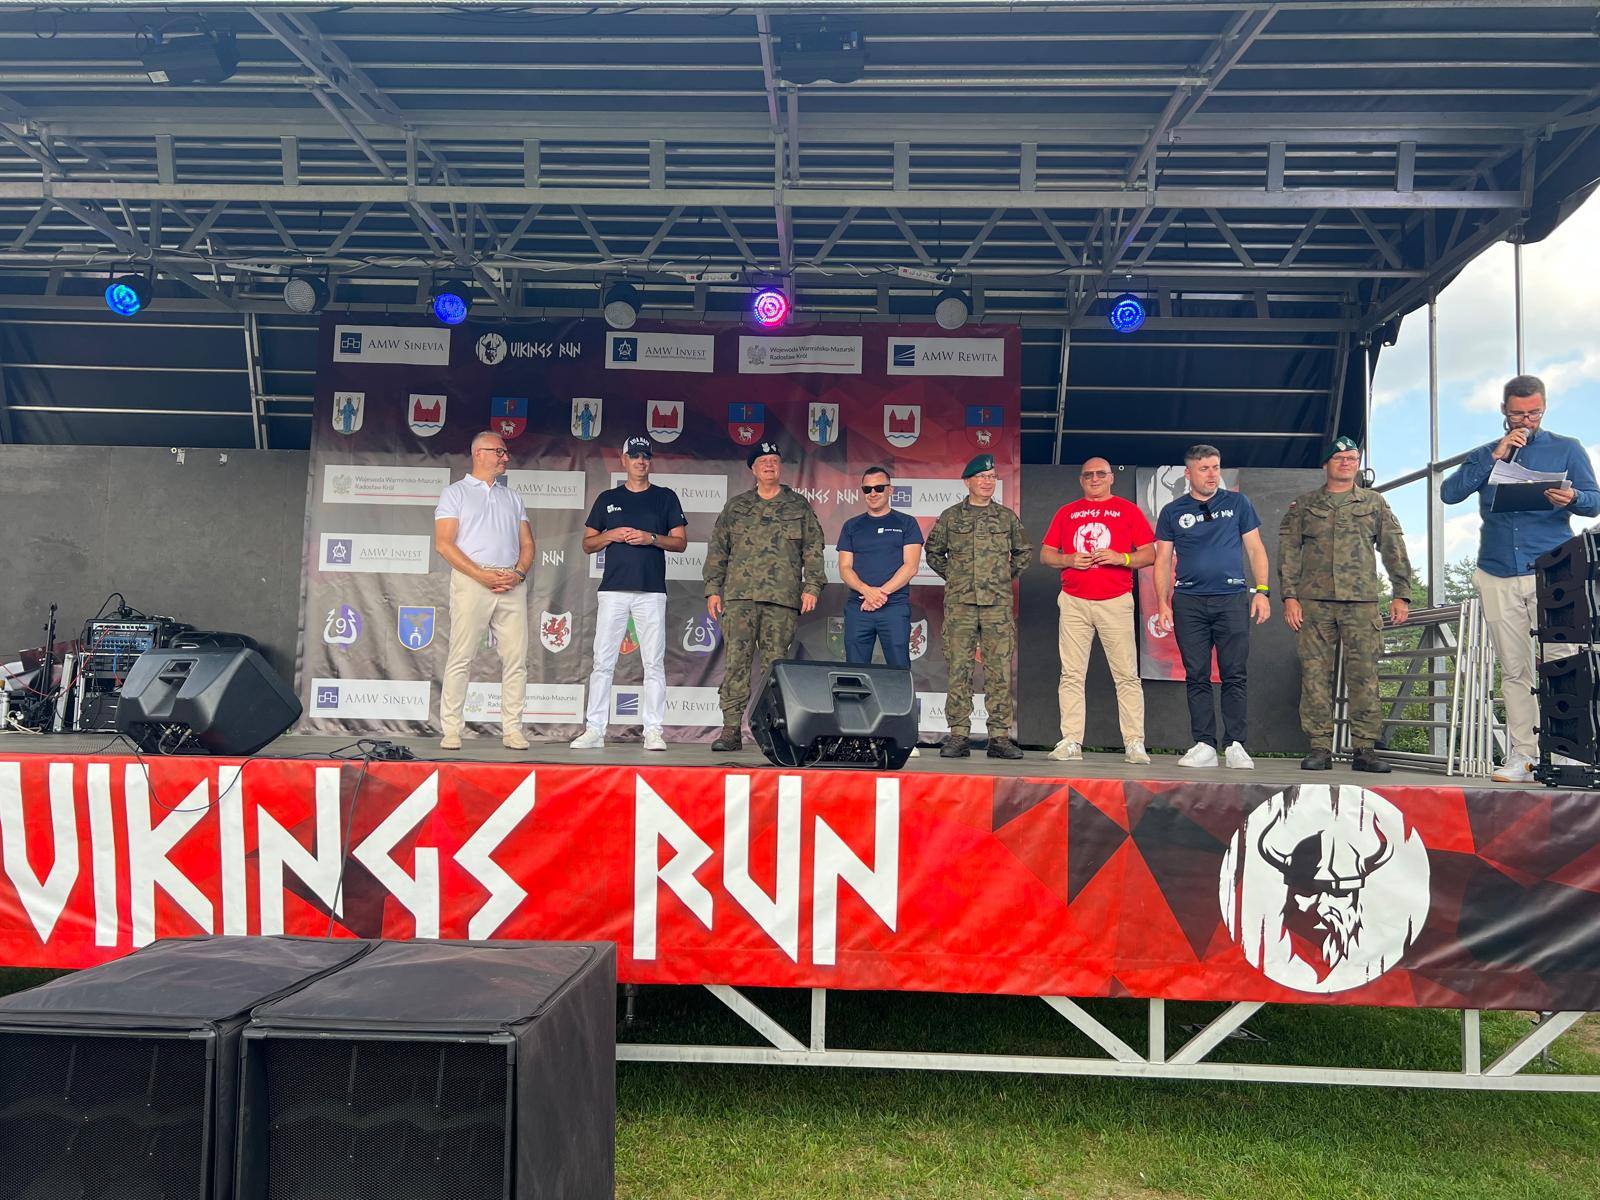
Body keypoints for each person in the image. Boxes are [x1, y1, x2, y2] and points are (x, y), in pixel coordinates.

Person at [1442, 374, 1600, 782]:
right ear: (1503, 411)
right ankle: (1523, 757)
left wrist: (1574, 498)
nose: (1526, 421)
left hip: (1554, 573)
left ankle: (1568, 754)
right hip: (1496, 571)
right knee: (1514, 669)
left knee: (1565, 662)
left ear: (1543, 409)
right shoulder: (1486, 453)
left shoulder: (1567, 448)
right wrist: (1495, 457)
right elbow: (1449, 493)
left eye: (1534, 413)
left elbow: (1594, 501)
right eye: (1518, 414)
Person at [1279, 437, 1414, 773]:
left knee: (1365, 675)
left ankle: (1365, 749)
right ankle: (1320, 747)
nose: (1346, 463)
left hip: (1361, 601)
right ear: (1325, 464)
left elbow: (1393, 547)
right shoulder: (1305, 505)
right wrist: (1289, 597)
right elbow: (1289, 553)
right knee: (1314, 675)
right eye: (1339, 458)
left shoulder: (1374, 502)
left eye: (1352, 458)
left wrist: (1401, 593)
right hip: (1314, 603)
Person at [703, 440, 826, 751]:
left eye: (774, 460)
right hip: (740, 599)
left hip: (781, 600)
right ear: (753, 469)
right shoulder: (736, 507)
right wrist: (712, 590)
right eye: (763, 461)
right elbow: (718, 550)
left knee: (775, 668)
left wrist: (812, 586)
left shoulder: (797, 506)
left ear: (780, 467)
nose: (769, 465)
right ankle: (731, 730)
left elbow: (813, 547)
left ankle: (774, 731)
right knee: (736, 664)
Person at [1154, 444, 1271, 769]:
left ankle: (1235, 744)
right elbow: (1162, 560)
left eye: (1216, 467)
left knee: (1234, 673)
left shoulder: (1237, 503)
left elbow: (1256, 548)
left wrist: (1262, 591)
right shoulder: (1173, 511)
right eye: (1204, 468)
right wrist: (1162, 604)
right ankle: (1204, 744)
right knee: (1197, 674)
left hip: (1231, 598)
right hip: (1188, 601)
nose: (1211, 474)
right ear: (1188, 473)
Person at [571, 436, 688, 752]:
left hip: (651, 591)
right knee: (602, 662)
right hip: (613, 591)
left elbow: (680, 542)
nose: (640, 461)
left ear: (650, 461)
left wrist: (651, 538)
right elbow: (587, 544)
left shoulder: (665, 497)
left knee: (654, 664)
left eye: (645, 456)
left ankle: (654, 730)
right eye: (634, 456)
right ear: (623, 460)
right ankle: (595, 729)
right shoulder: (608, 498)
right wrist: (610, 534)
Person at [1039, 457, 1154, 765]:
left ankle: (1134, 742)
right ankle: (1071, 740)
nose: (1094, 479)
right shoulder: (1066, 512)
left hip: (1115, 600)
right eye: (1088, 475)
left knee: (1126, 674)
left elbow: (1149, 554)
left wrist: (1122, 558)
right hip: (1074, 600)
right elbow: (1046, 554)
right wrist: (1067, 560)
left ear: (1111, 478)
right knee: (1071, 674)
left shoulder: (1128, 510)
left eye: (1100, 474)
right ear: (1081, 480)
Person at [433, 430, 535, 751]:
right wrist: (480, 575)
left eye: (505, 452)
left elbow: (528, 544)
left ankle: (513, 729)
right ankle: (452, 729)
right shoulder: (455, 493)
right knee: (461, 656)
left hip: (510, 581)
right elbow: (444, 544)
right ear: (479, 454)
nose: (506, 457)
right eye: (499, 452)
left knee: (516, 660)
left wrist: (518, 574)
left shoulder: (513, 497)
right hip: (471, 580)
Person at [925, 453, 1031, 759]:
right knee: (959, 668)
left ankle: (999, 737)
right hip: (960, 605)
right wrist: (957, 577)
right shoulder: (950, 517)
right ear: (967, 482)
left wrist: (1001, 578)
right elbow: (933, 553)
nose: (987, 482)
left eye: (991, 477)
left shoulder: (1006, 517)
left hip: (997, 605)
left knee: (999, 671)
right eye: (981, 477)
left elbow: (1024, 552)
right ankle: (958, 734)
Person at [837, 465, 924, 667]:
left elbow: (911, 566)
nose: (873, 493)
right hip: (859, 607)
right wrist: (866, 591)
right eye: (867, 489)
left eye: (879, 488)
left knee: (899, 670)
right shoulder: (851, 525)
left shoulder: (907, 523)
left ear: (890, 490)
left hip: (894, 607)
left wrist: (879, 595)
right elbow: (844, 568)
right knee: (855, 671)